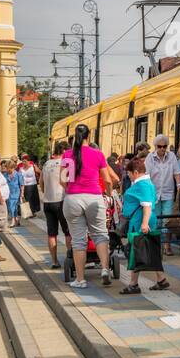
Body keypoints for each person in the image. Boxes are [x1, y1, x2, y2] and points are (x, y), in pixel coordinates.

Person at [60, 123, 117, 288]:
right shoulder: (97, 154)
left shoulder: (68, 155)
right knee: (100, 235)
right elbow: (107, 180)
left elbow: (63, 180)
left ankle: (80, 279)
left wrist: (72, 190)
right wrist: (108, 193)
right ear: (88, 136)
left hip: (73, 199)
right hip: (94, 198)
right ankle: (105, 269)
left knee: (78, 241)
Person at [119, 156, 170, 294]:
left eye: (129, 173)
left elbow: (147, 205)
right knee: (150, 250)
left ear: (135, 172)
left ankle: (133, 284)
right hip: (142, 221)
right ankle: (161, 280)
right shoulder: (144, 183)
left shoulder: (143, 185)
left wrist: (144, 223)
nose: (128, 176)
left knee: (136, 251)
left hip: (140, 222)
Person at [146, 134, 180, 254]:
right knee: (156, 221)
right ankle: (156, 245)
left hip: (168, 192)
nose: (162, 149)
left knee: (167, 220)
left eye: (164, 146)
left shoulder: (171, 156)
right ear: (155, 146)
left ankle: (167, 246)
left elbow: (177, 172)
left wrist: (179, 185)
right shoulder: (150, 158)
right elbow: (147, 175)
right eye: (159, 146)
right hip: (154, 193)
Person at [39, 143, 72, 269]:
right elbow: (67, 182)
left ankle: (54, 261)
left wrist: (46, 193)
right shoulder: (66, 163)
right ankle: (70, 260)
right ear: (64, 151)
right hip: (62, 200)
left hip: (48, 202)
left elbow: (41, 182)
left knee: (51, 233)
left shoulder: (47, 164)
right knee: (68, 232)